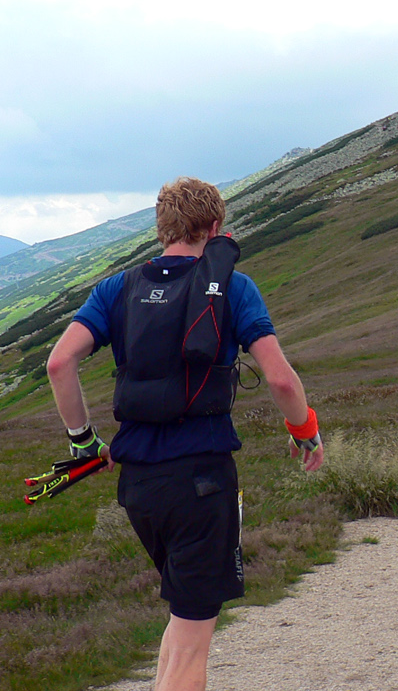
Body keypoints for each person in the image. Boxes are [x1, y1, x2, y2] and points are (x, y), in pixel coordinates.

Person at [46, 177, 323, 691]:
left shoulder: (116, 288)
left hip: (138, 487)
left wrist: (83, 441)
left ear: (162, 227)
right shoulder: (234, 287)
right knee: (193, 645)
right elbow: (282, 380)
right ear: (215, 227)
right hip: (203, 484)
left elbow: (59, 363)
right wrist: (304, 430)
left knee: (183, 622)